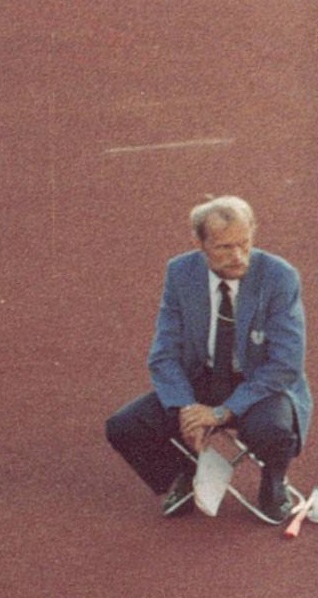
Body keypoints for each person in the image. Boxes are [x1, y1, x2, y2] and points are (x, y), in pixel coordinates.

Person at [105, 195, 312, 522]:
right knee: (125, 427)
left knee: (274, 430)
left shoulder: (279, 276)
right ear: (199, 243)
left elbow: (286, 364)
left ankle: (274, 482)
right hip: (203, 378)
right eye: (224, 247)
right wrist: (187, 409)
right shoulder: (180, 273)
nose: (238, 256)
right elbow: (164, 354)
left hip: (260, 384)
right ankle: (185, 473)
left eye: (244, 243)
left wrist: (221, 412)